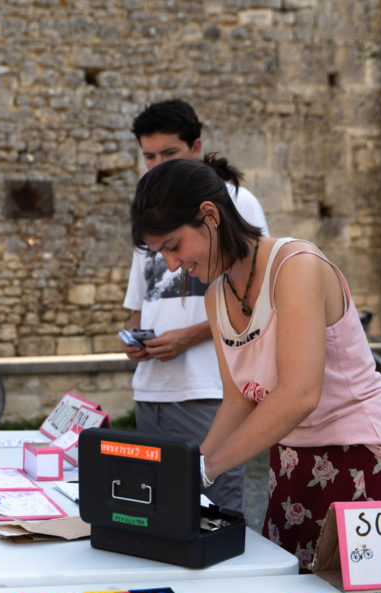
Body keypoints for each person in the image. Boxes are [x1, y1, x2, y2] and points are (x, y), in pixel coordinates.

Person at [130, 156, 381, 571]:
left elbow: (299, 394)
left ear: (209, 216)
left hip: (361, 456)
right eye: (162, 255)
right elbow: (238, 401)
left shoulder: (296, 266)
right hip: (291, 462)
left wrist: (207, 470)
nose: (173, 266)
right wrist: (190, 469)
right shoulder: (216, 296)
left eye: (173, 246)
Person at [122, 99, 268, 514]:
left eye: (169, 152)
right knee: (155, 506)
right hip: (152, 386)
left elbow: (255, 296)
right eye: (149, 156)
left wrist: (188, 337)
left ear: (196, 147)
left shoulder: (236, 200)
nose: (157, 164)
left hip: (208, 387)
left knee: (212, 509)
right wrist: (135, 340)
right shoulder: (150, 211)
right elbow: (140, 298)